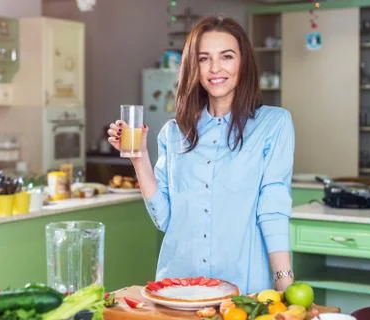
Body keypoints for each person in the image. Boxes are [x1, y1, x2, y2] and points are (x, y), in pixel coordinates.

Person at [107, 16, 295, 294]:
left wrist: (286, 286)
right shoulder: (173, 133)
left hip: (244, 291)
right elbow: (165, 220)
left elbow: (273, 210)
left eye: (227, 56)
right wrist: (139, 158)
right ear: (193, 66)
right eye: (204, 58)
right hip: (179, 289)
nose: (215, 68)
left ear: (243, 62)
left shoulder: (274, 125)